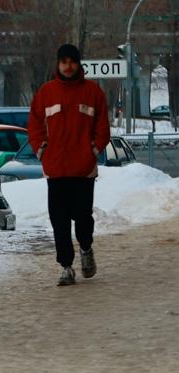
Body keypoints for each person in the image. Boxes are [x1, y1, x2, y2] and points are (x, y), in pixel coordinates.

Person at [28, 43, 110, 286]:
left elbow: (103, 128)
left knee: (83, 217)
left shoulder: (94, 93)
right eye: (63, 62)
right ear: (58, 64)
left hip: (83, 171)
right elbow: (34, 125)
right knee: (59, 221)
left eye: (72, 61)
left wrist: (92, 151)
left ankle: (86, 248)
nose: (68, 66)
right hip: (56, 171)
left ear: (78, 64)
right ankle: (66, 266)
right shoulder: (46, 93)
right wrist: (43, 151)